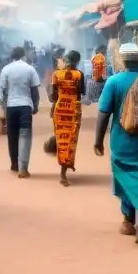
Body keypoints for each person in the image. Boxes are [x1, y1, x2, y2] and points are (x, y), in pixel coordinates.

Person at [94, 43, 138, 246]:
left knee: (123, 178)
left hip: (121, 142)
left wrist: (98, 140)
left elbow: (104, 113)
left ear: (123, 60)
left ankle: (128, 219)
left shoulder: (114, 82)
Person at [0, 46, 41, 177]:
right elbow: (35, 90)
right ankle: (23, 167)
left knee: (12, 136)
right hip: (25, 106)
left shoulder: (6, 69)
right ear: (23, 55)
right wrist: (35, 106)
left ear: (12, 56)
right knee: (25, 136)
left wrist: (2, 106)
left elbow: (1, 91)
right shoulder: (29, 69)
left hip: (11, 107)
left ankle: (14, 164)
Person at [50, 50, 86, 186]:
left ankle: (65, 167)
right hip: (73, 110)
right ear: (77, 62)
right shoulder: (79, 75)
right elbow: (80, 93)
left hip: (59, 110)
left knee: (61, 139)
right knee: (71, 139)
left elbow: (53, 96)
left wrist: (53, 107)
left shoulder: (56, 74)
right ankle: (64, 169)